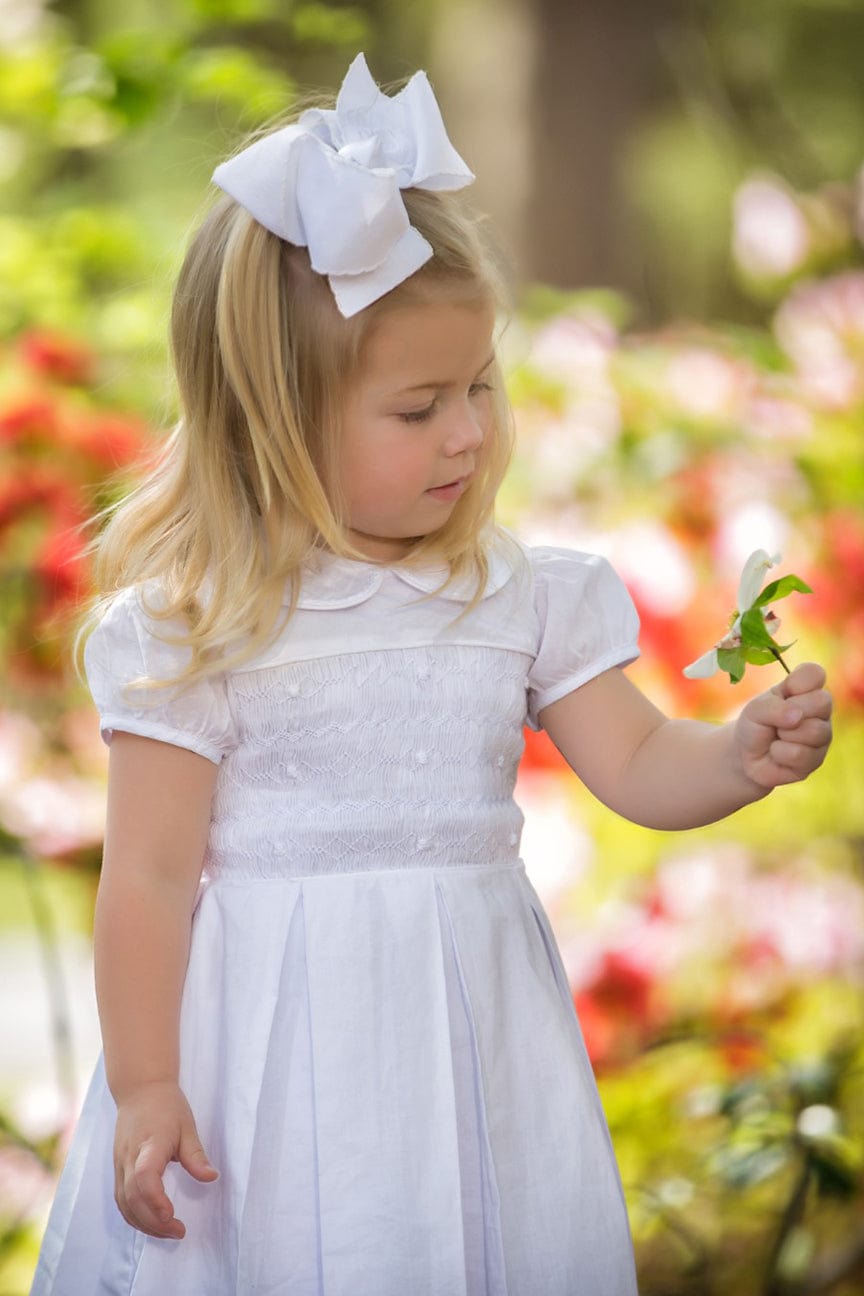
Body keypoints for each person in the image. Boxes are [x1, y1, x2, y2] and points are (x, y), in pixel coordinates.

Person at [31, 53, 832, 1296]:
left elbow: (632, 759)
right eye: (417, 409)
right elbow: (143, 874)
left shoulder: (514, 593)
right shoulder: (203, 630)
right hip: (271, 1059)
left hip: (473, 1051)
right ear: (273, 419)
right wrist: (146, 1084)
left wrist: (735, 755)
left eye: (479, 386)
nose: (467, 431)